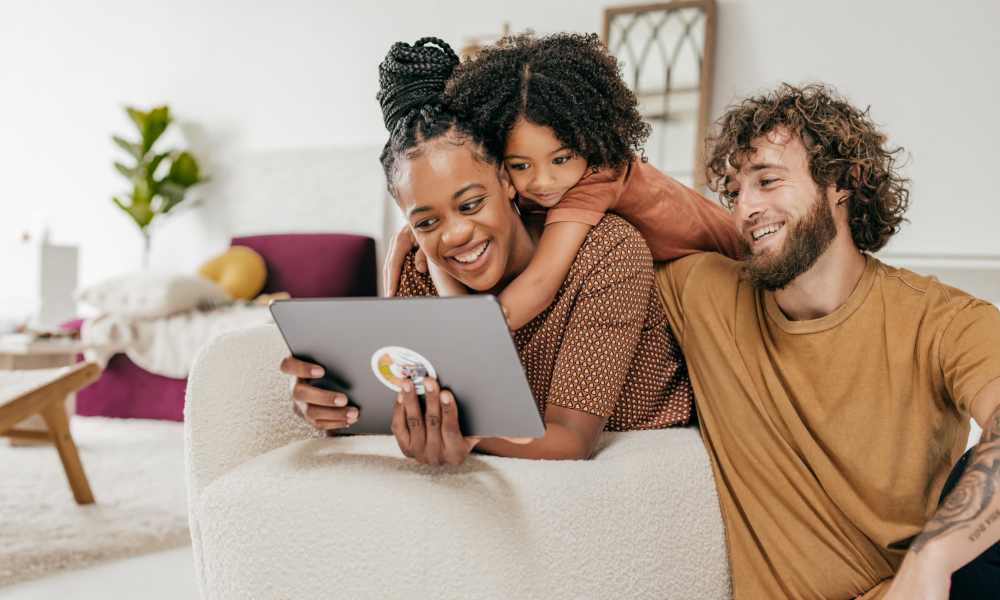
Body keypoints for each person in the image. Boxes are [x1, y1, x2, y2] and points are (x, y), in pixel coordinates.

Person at [280, 37, 719, 462]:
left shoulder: (607, 249)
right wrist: (337, 409)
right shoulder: (420, 266)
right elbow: (407, 397)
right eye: (427, 222)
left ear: (506, 183)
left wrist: (468, 435)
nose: (454, 235)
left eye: (471, 204)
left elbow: (571, 438)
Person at [656, 82, 1000, 599]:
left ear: (843, 182)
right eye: (733, 192)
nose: (745, 209)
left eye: (767, 181)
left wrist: (932, 561)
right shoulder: (705, 294)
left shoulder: (941, 320)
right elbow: (610, 188)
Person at [385, 33, 743, 330]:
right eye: (520, 165)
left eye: (561, 159)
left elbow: (540, 286)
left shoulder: (596, 178)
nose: (543, 182)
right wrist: (418, 232)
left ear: (589, 140)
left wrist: (462, 334)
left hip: (739, 262)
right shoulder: (553, 184)